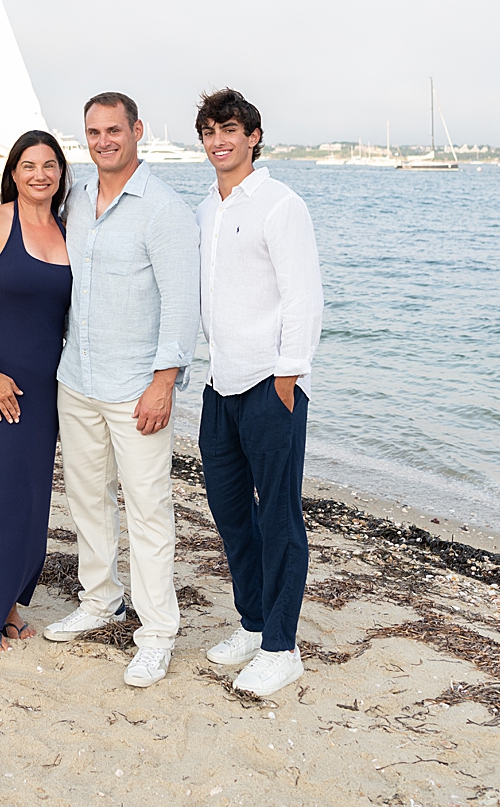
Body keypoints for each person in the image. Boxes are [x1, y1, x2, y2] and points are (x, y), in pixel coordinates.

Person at [44, 92, 201, 687]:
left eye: (114, 130)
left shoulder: (164, 208)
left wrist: (164, 382)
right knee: (87, 499)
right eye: (94, 132)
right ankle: (100, 600)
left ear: (137, 131)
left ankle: (157, 633)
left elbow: (182, 303)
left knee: (148, 509)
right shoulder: (77, 197)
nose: (104, 141)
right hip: (77, 378)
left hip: (137, 387)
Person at [194, 86, 324, 701]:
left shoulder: (281, 204)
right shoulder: (205, 209)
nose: (219, 141)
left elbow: (304, 295)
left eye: (230, 130)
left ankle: (281, 647)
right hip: (219, 383)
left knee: (278, 518)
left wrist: (288, 375)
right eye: (209, 132)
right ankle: (252, 623)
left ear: (253, 137)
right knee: (229, 513)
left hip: (271, 386)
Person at [0, 131, 74, 657]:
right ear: (14, 174)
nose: (39, 175)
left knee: (30, 497)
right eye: (29, 165)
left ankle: (7, 604)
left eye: (49, 165)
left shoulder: (69, 230)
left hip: (48, 385)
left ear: (61, 173)